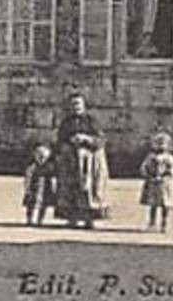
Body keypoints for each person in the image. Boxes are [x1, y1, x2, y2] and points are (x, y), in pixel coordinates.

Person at [54, 93, 109, 228]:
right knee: (71, 190)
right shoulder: (66, 122)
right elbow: (59, 140)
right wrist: (67, 143)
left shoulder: (91, 121)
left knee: (88, 190)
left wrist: (86, 139)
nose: (76, 107)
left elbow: (101, 140)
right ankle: (72, 219)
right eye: (73, 104)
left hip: (89, 163)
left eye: (78, 104)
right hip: (71, 162)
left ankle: (89, 219)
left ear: (84, 105)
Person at [138, 132, 173, 233]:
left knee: (165, 205)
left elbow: (171, 172)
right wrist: (148, 176)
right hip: (152, 184)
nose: (161, 146)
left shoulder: (169, 159)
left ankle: (164, 223)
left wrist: (164, 177)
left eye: (163, 144)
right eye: (158, 143)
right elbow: (143, 168)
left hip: (164, 185)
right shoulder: (150, 158)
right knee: (153, 205)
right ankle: (152, 223)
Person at [22, 144, 55, 227]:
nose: (42, 160)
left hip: (45, 189)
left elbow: (52, 178)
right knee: (31, 204)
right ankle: (29, 220)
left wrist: (53, 187)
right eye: (40, 157)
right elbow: (28, 178)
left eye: (44, 158)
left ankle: (40, 220)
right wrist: (27, 189)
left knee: (43, 205)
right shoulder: (32, 167)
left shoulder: (48, 167)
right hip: (34, 189)